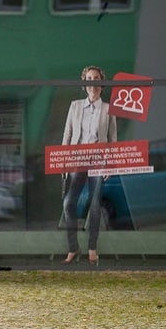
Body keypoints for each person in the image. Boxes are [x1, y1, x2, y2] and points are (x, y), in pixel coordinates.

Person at [61, 65, 118, 265]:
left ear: (101, 84)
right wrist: (64, 161)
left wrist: (110, 165)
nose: (92, 82)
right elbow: (67, 135)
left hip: (98, 159)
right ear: (85, 84)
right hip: (77, 158)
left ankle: (92, 248)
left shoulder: (109, 109)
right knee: (68, 203)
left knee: (94, 205)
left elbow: (113, 139)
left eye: (96, 78)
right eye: (89, 78)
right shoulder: (75, 106)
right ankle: (73, 247)